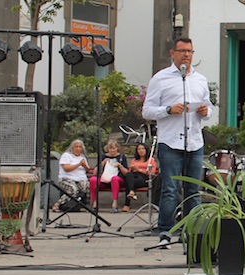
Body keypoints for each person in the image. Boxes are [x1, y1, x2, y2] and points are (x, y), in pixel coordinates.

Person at [142, 37, 212, 247]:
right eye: (182, 51)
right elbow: (147, 111)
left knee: (193, 189)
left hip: (194, 142)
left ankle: (193, 231)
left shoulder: (200, 79)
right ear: (173, 53)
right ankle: (165, 230)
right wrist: (167, 110)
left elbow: (209, 107)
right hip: (170, 141)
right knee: (170, 188)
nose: (187, 55)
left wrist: (206, 111)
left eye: (190, 51)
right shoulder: (161, 79)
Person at [89, 139, 128, 213]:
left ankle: (114, 204)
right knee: (93, 179)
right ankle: (94, 204)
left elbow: (126, 173)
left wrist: (120, 166)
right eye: (110, 148)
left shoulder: (121, 157)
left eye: (114, 148)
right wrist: (102, 163)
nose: (112, 150)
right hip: (104, 180)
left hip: (117, 180)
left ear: (117, 148)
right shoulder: (103, 157)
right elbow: (94, 172)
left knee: (115, 179)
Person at [52, 139, 91, 212]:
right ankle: (57, 204)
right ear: (72, 148)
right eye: (76, 147)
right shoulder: (66, 155)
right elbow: (66, 168)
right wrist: (79, 164)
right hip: (66, 178)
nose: (78, 148)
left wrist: (85, 165)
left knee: (86, 186)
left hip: (80, 178)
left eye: (80, 147)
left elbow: (87, 170)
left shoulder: (82, 157)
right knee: (73, 189)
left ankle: (85, 205)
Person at [124, 142, 161, 210]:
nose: (141, 150)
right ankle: (131, 192)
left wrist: (139, 169)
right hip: (134, 176)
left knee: (129, 183)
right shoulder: (134, 160)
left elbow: (152, 173)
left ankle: (127, 204)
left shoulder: (151, 160)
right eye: (139, 149)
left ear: (146, 150)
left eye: (143, 149)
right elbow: (129, 172)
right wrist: (132, 169)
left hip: (144, 178)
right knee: (129, 176)